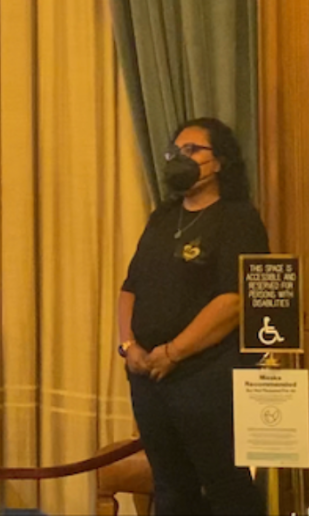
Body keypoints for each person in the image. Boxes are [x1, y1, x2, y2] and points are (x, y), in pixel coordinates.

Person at [118, 118, 268, 515]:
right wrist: (130, 345)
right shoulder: (162, 218)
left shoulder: (238, 219)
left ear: (218, 162)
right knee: (170, 488)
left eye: (192, 151)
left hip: (206, 379)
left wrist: (174, 352)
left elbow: (233, 301)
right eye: (175, 152)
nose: (180, 159)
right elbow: (129, 288)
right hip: (148, 379)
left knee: (225, 486)